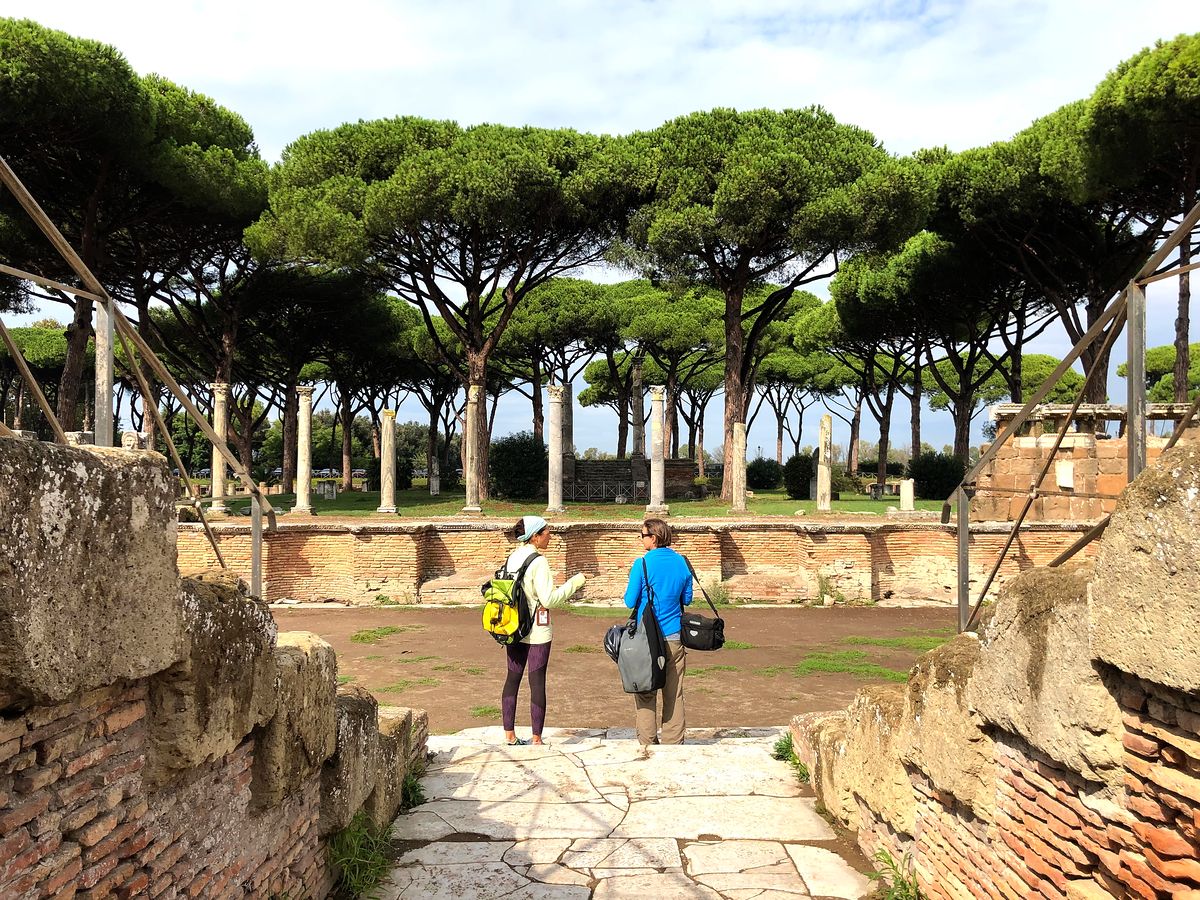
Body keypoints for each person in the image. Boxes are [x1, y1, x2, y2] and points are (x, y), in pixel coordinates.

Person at [501, 515, 586, 746]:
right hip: (537, 629)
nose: (550, 535)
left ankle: (509, 734)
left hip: (513, 627)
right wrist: (574, 583)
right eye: (546, 532)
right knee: (537, 681)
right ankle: (536, 738)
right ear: (536, 537)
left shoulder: (513, 557)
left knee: (513, 678)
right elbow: (548, 599)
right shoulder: (538, 561)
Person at [623, 517, 693, 745]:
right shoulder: (682, 562)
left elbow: (629, 600)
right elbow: (688, 599)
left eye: (642, 535)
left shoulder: (641, 564)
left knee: (645, 690)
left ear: (653, 537)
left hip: (646, 637)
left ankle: (647, 741)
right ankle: (673, 742)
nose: (641, 540)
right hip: (673, 634)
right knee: (674, 692)